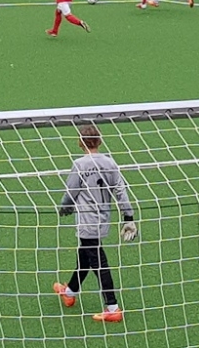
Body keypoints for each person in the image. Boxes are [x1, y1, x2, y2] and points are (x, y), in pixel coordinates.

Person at [53, 125, 138, 323]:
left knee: (98, 262)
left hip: (86, 221)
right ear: (99, 141)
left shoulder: (79, 164)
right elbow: (120, 191)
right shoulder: (110, 163)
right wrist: (128, 217)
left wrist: (64, 209)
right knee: (85, 256)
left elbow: (70, 192)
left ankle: (113, 307)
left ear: (80, 142)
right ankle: (70, 292)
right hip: (103, 219)